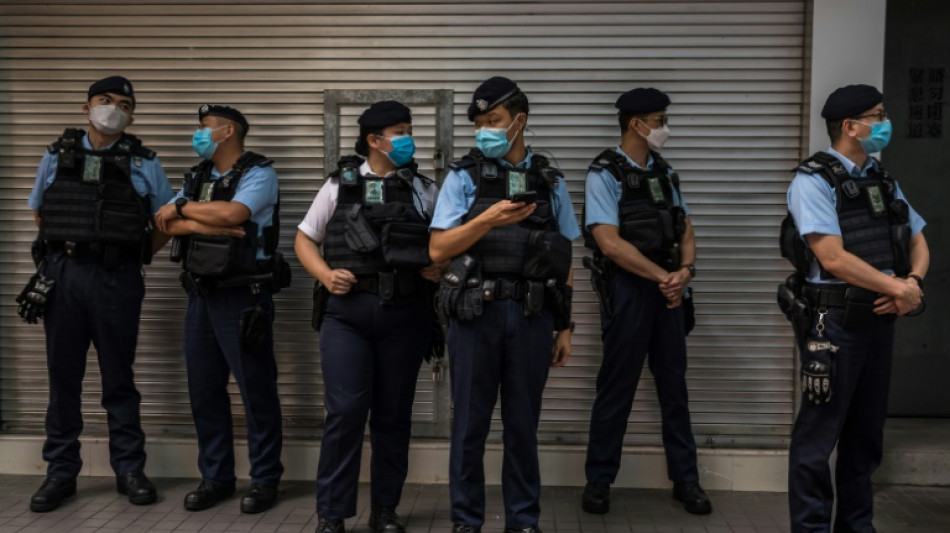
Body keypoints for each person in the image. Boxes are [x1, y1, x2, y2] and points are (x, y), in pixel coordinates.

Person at [429, 76, 580, 533]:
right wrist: (489, 218)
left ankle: (523, 520)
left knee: (522, 428)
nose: (483, 131)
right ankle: (466, 522)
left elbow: (568, 254)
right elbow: (438, 250)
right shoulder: (463, 177)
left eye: (492, 121)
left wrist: (565, 325)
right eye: (477, 123)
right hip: (475, 314)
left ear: (520, 121)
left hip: (532, 316)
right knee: (469, 427)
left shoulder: (550, 181)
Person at [782, 84, 928, 533]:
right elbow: (832, 257)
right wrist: (897, 288)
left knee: (865, 440)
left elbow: (918, 238)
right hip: (835, 324)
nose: (885, 124)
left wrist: (913, 284)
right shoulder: (812, 181)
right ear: (850, 126)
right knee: (816, 440)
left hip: (881, 318)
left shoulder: (882, 179)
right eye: (877, 115)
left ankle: (857, 527)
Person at [22, 75, 172, 512]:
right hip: (64, 274)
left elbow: (164, 221)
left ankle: (129, 469)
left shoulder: (144, 161)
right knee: (63, 378)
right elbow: (39, 212)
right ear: (87, 107)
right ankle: (60, 472)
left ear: (132, 114)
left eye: (124, 103)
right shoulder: (57, 154)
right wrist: (69, 249)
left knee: (118, 379)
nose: (114, 109)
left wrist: (131, 254)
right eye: (105, 100)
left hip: (116, 278)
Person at [295, 101, 443, 533]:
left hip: (406, 313)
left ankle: (384, 510)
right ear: (374, 140)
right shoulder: (339, 185)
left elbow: (445, 243)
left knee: (393, 415)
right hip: (347, 314)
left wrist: (437, 266)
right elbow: (305, 238)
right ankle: (332, 513)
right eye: (400, 130)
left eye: (409, 128)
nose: (408, 137)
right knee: (345, 411)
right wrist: (324, 274)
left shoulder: (422, 189)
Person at [581, 88, 711, 516]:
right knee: (616, 386)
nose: (664, 128)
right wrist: (664, 278)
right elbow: (609, 243)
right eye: (659, 119)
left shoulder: (665, 173)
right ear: (636, 124)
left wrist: (685, 273)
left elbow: (685, 228)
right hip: (631, 291)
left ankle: (686, 480)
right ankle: (599, 480)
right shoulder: (605, 173)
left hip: (670, 292)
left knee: (674, 388)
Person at [155, 104, 289, 514]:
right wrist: (195, 220)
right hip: (200, 296)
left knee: (256, 391)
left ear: (226, 131)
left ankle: (264, 479)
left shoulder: (259, 173)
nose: (196, 135)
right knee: (204, 392)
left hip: (242, 295)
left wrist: (183, 210)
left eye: (203, 128)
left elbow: (235, 214)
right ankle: (217, 477)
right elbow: (163, 222)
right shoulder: (197, 177)